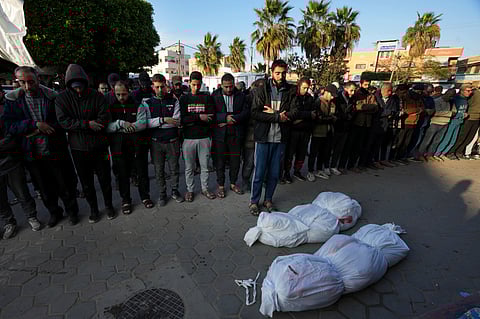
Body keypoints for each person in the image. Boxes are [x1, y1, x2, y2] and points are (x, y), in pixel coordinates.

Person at [3, 66, 79, 227]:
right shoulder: (13, 100)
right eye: (22, 82)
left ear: (38, 78)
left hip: (55, 149)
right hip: (32, 153)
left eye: (31, 82)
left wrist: (48, 127)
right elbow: (10, 125)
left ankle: (72, 211)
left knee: (64, 183)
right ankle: (54, 212)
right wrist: (35, 125)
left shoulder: (52, 96)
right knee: (44, 188)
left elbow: (62, 120)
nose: (27, 87)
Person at [56, 64, 113, 223]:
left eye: (81, 87)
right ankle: (94, 210)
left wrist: (85, 125)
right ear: (69, 85)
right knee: (86, 183)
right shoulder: (62, 98)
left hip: (99, 146)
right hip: (78, 148)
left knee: (105, 180)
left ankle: (109, 206)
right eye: (75, 88)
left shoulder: (97, 96)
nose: (79, 90)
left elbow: (104, 118)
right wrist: (87, 124)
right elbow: (64, 122)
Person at [248, 60, 297, 215]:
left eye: (283, 73)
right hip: (263, 138)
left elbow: (295, 112)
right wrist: (277, 116)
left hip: (280, 139)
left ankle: (268, 199)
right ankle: (254, 202)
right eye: (277, 73)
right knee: (259, 172)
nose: (280, 76)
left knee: (275, 173)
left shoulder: (290, 90)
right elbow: (255, 113)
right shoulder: (262, 89)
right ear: (271, 72)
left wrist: (277, 114)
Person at [106, 80, 152, 215]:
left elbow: (142, 123)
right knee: (122, 175)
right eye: (118, 94)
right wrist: (120, 124)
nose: (121, 97)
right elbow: (107, 127)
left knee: (142, 172)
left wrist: (126, 128)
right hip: (118, 147)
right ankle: (126, 200)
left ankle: (145, 196)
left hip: (137, 146)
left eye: (124, 94)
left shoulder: (139, 105)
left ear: (129, 91)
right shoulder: (110, 106)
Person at [0, 89, 40, 239]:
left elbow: (13, 131)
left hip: (11, 159)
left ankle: (31, 216)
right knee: (1, 199)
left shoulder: (7, 108)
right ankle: (9, 223)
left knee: (22, 192)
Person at [141, 74, 184, 206]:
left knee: (174, 169)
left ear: (166, 86)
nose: (160, 90)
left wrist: (157, 122)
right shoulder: (146, 103)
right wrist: (163, 120)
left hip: (172, 141)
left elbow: (176, 121)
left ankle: (175, 191)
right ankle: (162, 194)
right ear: (153, 87)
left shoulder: (174, 100)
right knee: (159, 170)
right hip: (156, 142)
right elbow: (146, 123)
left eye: (162, 87)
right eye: (157, 87)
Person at [180, 71, 216, 202]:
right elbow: (182, 119)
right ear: (189, 83)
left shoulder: (206, 97)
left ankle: (205, 188)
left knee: (205, 166)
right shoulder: (184, 99)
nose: (196, 87)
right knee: (189, 167)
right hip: (188, 138)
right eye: (194, 84)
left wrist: (193, 119)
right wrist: (200, 117)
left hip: (204, 137)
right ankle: (190, 190)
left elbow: (211, 116)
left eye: (198, 85)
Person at [212, 73, 249, 198]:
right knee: (220, 161)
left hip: (236, 133)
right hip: (220, 135)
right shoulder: (215, 96)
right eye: (226, 87)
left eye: (231, 86)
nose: (229, 89)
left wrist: (233, 119)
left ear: (234, 84)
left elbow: (246, 112)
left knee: (235, 161)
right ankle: (221, 186)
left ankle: (233, 183)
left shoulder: (241, 95)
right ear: (221, 85)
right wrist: (223, 118)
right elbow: (211, 113)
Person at [342, 78, 379, 173]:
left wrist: (364, 107)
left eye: (368, 84)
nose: (367, 86)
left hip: (366, 124)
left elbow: (375, 107)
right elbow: (357, 107)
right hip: (356, 123)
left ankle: (353, 165)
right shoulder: (357, 94)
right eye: (365, 84)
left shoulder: (371, 95)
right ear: (361, 84)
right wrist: (366, 107)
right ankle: (343, 165)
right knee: (349, 146)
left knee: (359, 146)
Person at [283, 77, 315, 183]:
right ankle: (286, 173)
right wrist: (307, 114)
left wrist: (306, 116)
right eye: (304, 88)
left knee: (301, 154)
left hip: (305, 130)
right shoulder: (293, 96)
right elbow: (293, 113)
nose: (306, 90)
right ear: (299, 86)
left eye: (307, 88)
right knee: (290, 154)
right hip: (293, 130)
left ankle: (297, 171)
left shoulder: (310, 98)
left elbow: (314, 113)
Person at [414, 88, 456, 161]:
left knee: (437, 140)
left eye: (452, 96)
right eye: (449, 95)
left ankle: (430, 154)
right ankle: (420, 154)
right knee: (427, 140)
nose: (450, 97)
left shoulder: (451, 102)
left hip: (445, 123)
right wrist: (449, 113)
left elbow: (454, 112)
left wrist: (447, 113)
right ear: (445, 93)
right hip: (435, 122)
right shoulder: (437, 101)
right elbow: (436, 112)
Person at [306, 84, 337, 182]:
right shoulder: (318, 102)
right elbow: (318, 118)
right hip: (317, 131)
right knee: (314, 152)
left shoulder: (332, 103)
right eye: (331, 95)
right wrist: (330, 119)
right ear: (326, 92)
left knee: (323, 152)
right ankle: (310, 171)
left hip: (328, 131)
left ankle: (319, 169)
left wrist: (330, 118)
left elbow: (334, 116)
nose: (332, 97)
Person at [435, 84, 473, 159]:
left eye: (471, 91)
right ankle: (437, 153)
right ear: (462, 91)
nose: (470, 92)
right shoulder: (455, 99)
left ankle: (443, 153)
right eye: (468, 91)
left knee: (453, 140)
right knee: (446, 138)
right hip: (452, 121)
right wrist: (461, 115)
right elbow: (451, 111)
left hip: (459, 122)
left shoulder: (465, 100)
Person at [389, 85, 424, 165]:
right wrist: (417, 110)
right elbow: (405, 111)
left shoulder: (418, 99)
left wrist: (419, 110)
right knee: (399, 141)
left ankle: (400, 157)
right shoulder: (403, 99)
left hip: (414, 122)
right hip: (404, 122)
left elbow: (423, 109)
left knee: (406, 142)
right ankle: (392, 158)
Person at [368, 83, 400, 168]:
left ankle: (381, 160)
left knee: (381, 144)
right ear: (383, 90)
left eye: (391, 91)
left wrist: (389, 113)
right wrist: (388, 112)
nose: (390, 93)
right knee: (372, 144)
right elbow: (376, 111)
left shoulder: (392, 99)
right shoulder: (376, 98)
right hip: (375, 124)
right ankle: (371, 161)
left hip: (387, 124)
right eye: (388, 91)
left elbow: (394, 111)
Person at [447, 83, 480, 159]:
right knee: (461, 136)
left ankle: (459, 152)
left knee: (469, 137)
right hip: (469, 117)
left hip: (477, 119)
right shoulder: (474, 93)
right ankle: (451, 152)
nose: (469, 92)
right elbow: (466, 101)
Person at [331, 82, 356, 174]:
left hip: (346, 127)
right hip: (336, 126)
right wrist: (344, 116)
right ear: (345, 89)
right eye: (351, 90)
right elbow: (334, 112)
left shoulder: (352, 99)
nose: (352, 93)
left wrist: (351, 115)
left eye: (354, 90)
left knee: (339, 148)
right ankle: (325, 166)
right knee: (331, 148)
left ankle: (334, 166)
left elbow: (353, 110)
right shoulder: (337, 98)